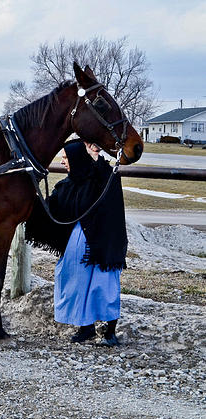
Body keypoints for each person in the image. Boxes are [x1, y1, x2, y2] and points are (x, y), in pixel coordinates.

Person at [25, 139, 128, 346]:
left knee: (103, 286)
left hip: (102, 245)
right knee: (76, 284)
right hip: (75, 245)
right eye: (62, 157)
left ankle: (110, 332)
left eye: (66, 157)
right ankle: (86, 328)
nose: (63, 162)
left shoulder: (103, 180)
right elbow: (50, 211)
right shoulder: (67, 185)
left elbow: (108, 179)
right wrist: (31, 195)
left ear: (77, 158)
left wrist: (97, 159)